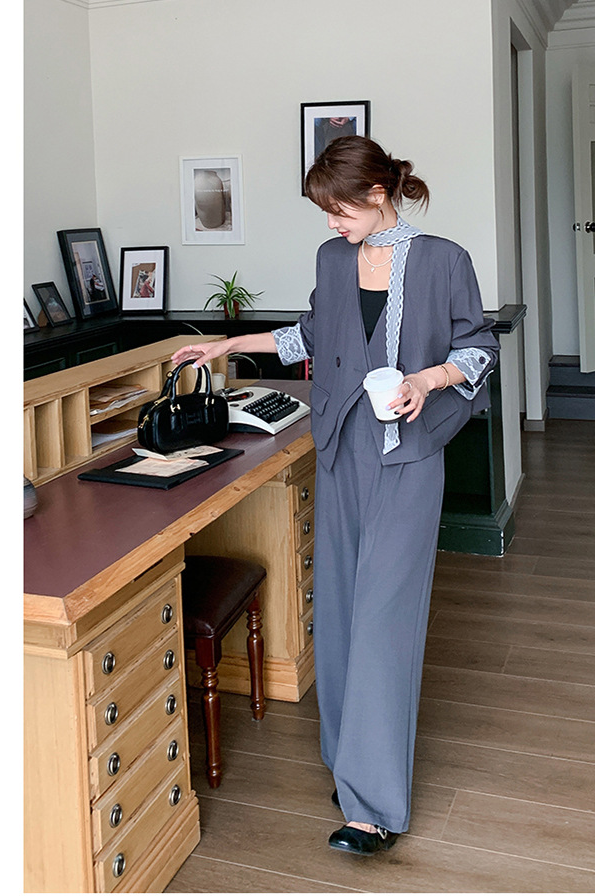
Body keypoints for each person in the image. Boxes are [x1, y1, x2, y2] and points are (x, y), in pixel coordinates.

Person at [172, 135, 499, 855]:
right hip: (342, 451)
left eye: (339, 209)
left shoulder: (444, 260)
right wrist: (227, 347)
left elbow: (480, 348)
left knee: (385, 618)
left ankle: (372, 805)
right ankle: (349, 761)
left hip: (407, 457)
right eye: (325, 212)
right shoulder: (332, 259)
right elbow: (311, 336)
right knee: (343, 608)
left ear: (378, 194)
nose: (330, 223)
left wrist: (427, 380)